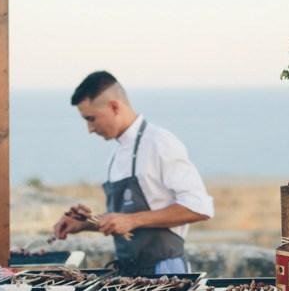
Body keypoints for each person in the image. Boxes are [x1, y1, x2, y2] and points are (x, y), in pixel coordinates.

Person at [52, 71, 214, 276]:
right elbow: (123, 220)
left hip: (166, 273)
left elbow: (200, 207)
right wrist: (85, 223)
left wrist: (133, 220)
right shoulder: (117, 153)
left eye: (91, 119)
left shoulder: (160, 142)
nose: (90, 129)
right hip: (128, 275)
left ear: (114, 106)